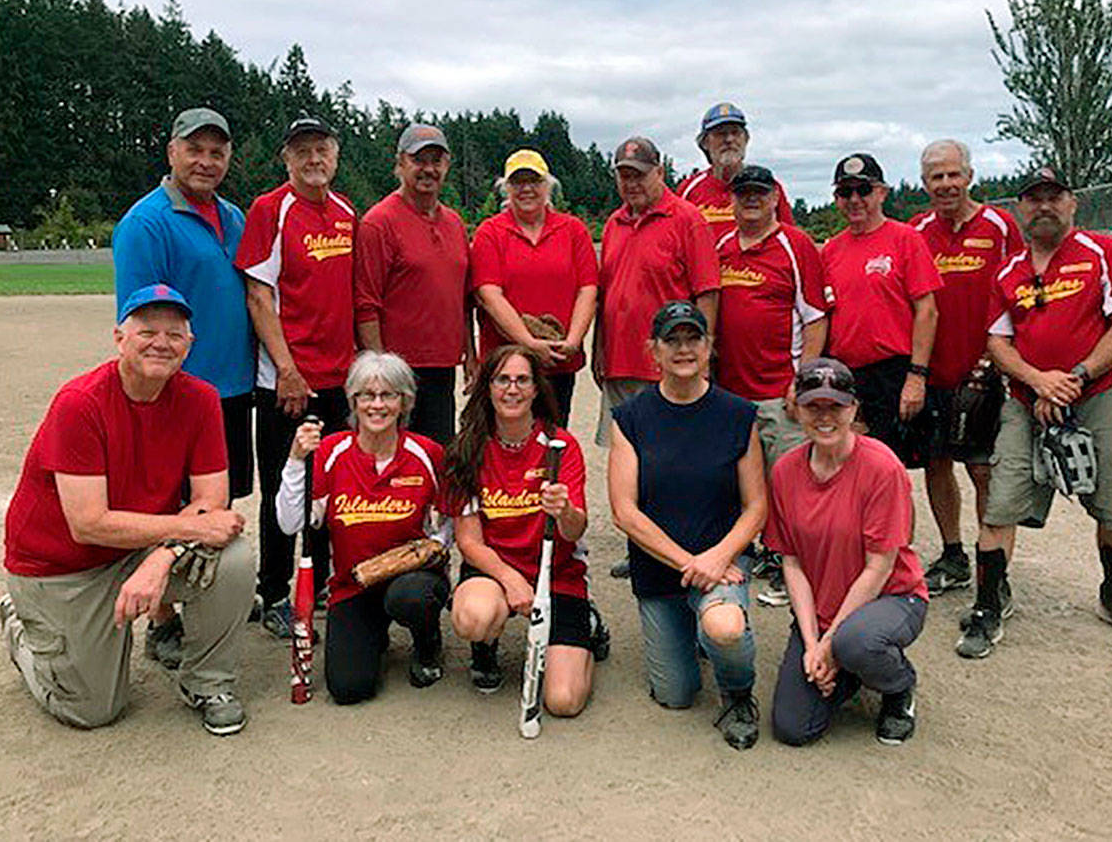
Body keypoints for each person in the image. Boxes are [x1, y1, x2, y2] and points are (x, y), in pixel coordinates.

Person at [0, 285, 254, 735]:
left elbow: (212, 501)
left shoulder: (200, 399)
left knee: (233, 557)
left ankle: (207, 682)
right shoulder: (81, 402)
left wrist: (162, 556)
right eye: (147, 330)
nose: (161, 342)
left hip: (136, 548)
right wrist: (181, 534)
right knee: (92, 709)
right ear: (119, 337)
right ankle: (22, 631)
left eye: (175, 333)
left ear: (190, 345)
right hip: (61, 567)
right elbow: (88, 524)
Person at [957, 168, 1112, 658]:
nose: (1043, 206)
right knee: (1001, 502)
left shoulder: (1102, 252)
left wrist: (1074, 379)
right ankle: (988, 605)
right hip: (1027, 400)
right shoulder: (1009, 271)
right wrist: (1037, 380)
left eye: (1054, 197)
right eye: (1033, 199)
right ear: (1021, 208)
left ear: (1072, 203)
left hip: (1098, 394)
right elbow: (997, 340)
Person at [111, 107, 252, 669]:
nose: (206, 161)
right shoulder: (146, 223)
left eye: (217, 152)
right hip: (177, 392)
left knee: (222, 496)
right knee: (169, 503)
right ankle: (165, 620)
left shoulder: (233, 217)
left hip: (234, 386)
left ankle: (201, 599)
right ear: (172, 152)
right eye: (195, 149)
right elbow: (142, 318)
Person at [608, 301, 767, 750]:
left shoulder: (738, 415)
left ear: (708, 346)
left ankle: (737, 694)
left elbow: (756, 506)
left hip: (723, 562)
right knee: (676, 695)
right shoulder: (631, 418)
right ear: (652, 351)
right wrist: (691, 563)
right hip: (661, 571)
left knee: (725, 628)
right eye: (671, 340)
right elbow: (625, 511)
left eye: (692, 338)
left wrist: (717, 558)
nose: (683, 348)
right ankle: (692, 624)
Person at [765, 359, 928, 746]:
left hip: (891, 597)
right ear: (797, 408)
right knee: (793, 729)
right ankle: (848, 668)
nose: (825, 417)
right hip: (822, 608)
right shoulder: (786, 470)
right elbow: (791, 562)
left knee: (856, 643)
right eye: (813, 406)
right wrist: (811, 645)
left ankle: (898, 685)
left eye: (835, 406)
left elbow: (879, 566)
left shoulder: (881, 467)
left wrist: (830, 643)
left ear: (853, 408)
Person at [236, 115, 357, 638]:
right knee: (285, 487)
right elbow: (259, 295)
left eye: (322, 149)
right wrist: (286, 369)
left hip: (338, 379)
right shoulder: (271, 209)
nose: (313, 159)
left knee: (331, 484)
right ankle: (274, 591)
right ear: (286, 159)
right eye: (302, 150)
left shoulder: (348, 212)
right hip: (288, 380)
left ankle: (325, 580)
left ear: (335, 156)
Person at [277, 351, 451, 701]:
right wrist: (296, 460)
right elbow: (290, 522)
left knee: (411, 598)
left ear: (405, 402)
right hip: (352, 583)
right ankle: (374, 635)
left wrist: (430, 554)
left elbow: (447, 525)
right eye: (366, 396)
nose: (377, 405)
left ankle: (427, 640)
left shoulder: (427, 453)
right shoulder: (330, 452)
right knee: (348, 688)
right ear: (353, 401)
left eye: (388, 395)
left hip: (410, 580)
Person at [444, 345, 599, 719]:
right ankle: (485, 647)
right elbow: (468, 542)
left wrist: (564, 512)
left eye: (522, 380)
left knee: (563, 702)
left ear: (535, 389)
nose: (512, 390)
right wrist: (511, 580)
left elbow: (576, 528)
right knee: (473, 616)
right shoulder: (467, 448)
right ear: (488, 387)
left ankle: (588, 630)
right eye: (502, 380)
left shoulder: (560, 446)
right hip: (494, 572)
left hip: (556, 573)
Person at [595, 136, 720, 579]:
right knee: (631, 467)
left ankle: (681, 549)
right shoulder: (613, 223)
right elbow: (607, 294)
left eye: (639, 173)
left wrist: (704, 356)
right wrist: (599, 350)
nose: (631, 183)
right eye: (624, 174)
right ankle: (642, 550)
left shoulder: (686, 219)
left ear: (659, 172)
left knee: (674, 465)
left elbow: (707, 292)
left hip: (669, 366)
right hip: (622, 363)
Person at [910, 140, 1024, 595]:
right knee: (937, 464)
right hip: (933, 371)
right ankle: (953, 553)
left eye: (953, 175)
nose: (946, 185)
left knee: (983, 470)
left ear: (970, 176)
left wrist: (1008, 358)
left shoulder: (998, 225)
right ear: (924, 184)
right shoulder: (916, 230)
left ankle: (990, 564)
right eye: (936, 177)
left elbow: (1018, 288)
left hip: (985, 372)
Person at [713, 164, 829, 608]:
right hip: (731, 391)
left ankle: (795, 568)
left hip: (779, 388)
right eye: (743, 194)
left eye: (760, 193)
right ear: (732, 200)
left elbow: (816, 318)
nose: (751, 200)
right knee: (742, 482)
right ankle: (754, 555)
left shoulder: (795, 246)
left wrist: (803, 382)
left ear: (776, 197)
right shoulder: (721, 245)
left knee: (789, 484)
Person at [354, 123, 475, 445]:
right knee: (393, 462)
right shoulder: (378, 223)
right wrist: (378, 373)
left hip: (442, 367)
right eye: (419, 160)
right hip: (398, 371)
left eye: (437, 161)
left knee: (437, 459)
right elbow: (366, 304)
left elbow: (463, 299)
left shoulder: (454, 223)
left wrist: (471, 356)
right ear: (400, 164)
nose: (428, 169)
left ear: (447, 166)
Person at [821, 153, 942, 464]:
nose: (855, 199)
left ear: (882, 193)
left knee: (892, 470)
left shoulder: (906, 239)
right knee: (848, 467)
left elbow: (927, 311)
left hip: (893, 372)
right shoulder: (831, 249)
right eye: (845, 192)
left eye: (864, 190)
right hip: (847, 375)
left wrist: (916, 376)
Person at [470, 149, 598, 425]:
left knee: (553, 434)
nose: (527, 188)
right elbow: (489, 295)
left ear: (548, 185)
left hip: (557, 361)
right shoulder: (490, 233)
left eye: (535, 181)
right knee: (501, 438)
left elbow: (588, 289)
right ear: (506, 188)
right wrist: (528, 343)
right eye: (517, 182)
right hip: (505, 364)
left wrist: (574, 341)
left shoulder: (573, 230)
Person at [677, 103, 796, 241]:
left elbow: (789, 238)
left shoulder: (767, 187)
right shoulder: (688, 190)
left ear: (746, 139)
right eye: (721, 134)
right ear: (705, 143)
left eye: (735, 133)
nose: (729, 140)